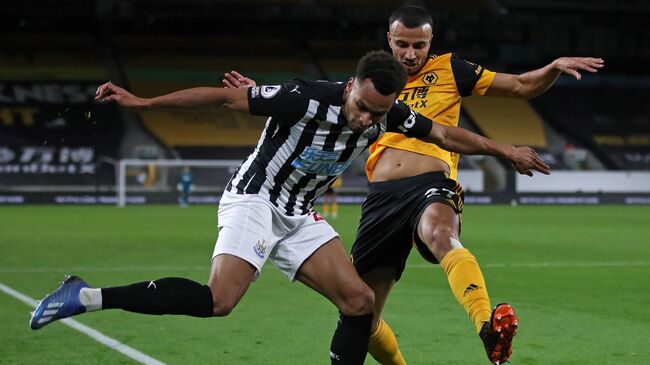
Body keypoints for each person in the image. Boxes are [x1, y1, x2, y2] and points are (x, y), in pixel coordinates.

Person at [30, 51, 549, 364]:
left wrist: (505, 149)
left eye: (378, 114)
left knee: (359, 303)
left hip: (299, 212)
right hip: (255, 197)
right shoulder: (303, 97)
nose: (366, 120)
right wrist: (142, 103)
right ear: (350, 87)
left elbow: (445, 132)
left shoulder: (391, 115)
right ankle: (88, 296)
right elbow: (221, 99)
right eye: (362, 108)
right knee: (220, 299)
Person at [224, 6, 603, 364]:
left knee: (440, 233)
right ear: (388, 40)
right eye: (402, 44)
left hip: (431, 182)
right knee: (362, 310)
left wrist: (553, 67)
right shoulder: (372, 82)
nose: (410, 54)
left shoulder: (451, 69)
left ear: (430, 40)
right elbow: (315, 104)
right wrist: (264, 96)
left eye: (418, 45)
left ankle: (487, 327)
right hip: (381, 198)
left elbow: (520, 85)